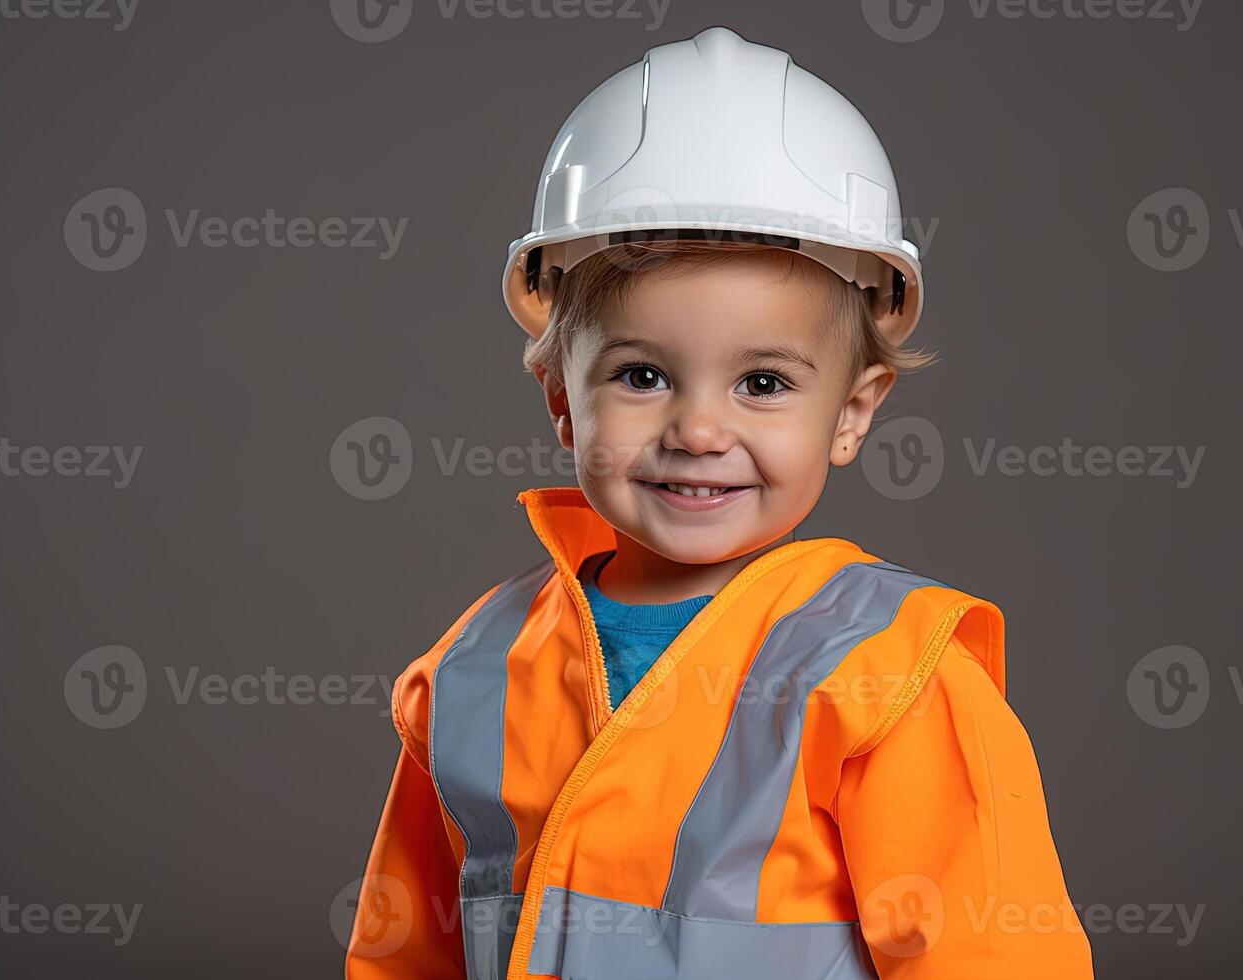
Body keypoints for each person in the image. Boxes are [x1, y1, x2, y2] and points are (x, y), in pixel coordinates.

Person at [346, 26, 1094, 980]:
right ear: (562, 400)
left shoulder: (887, 676)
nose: (699, 430)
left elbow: (994, 956)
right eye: (643, 374)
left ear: (853, 412)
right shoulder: (471, 673)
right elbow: (403, 948)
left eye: (765, 385)